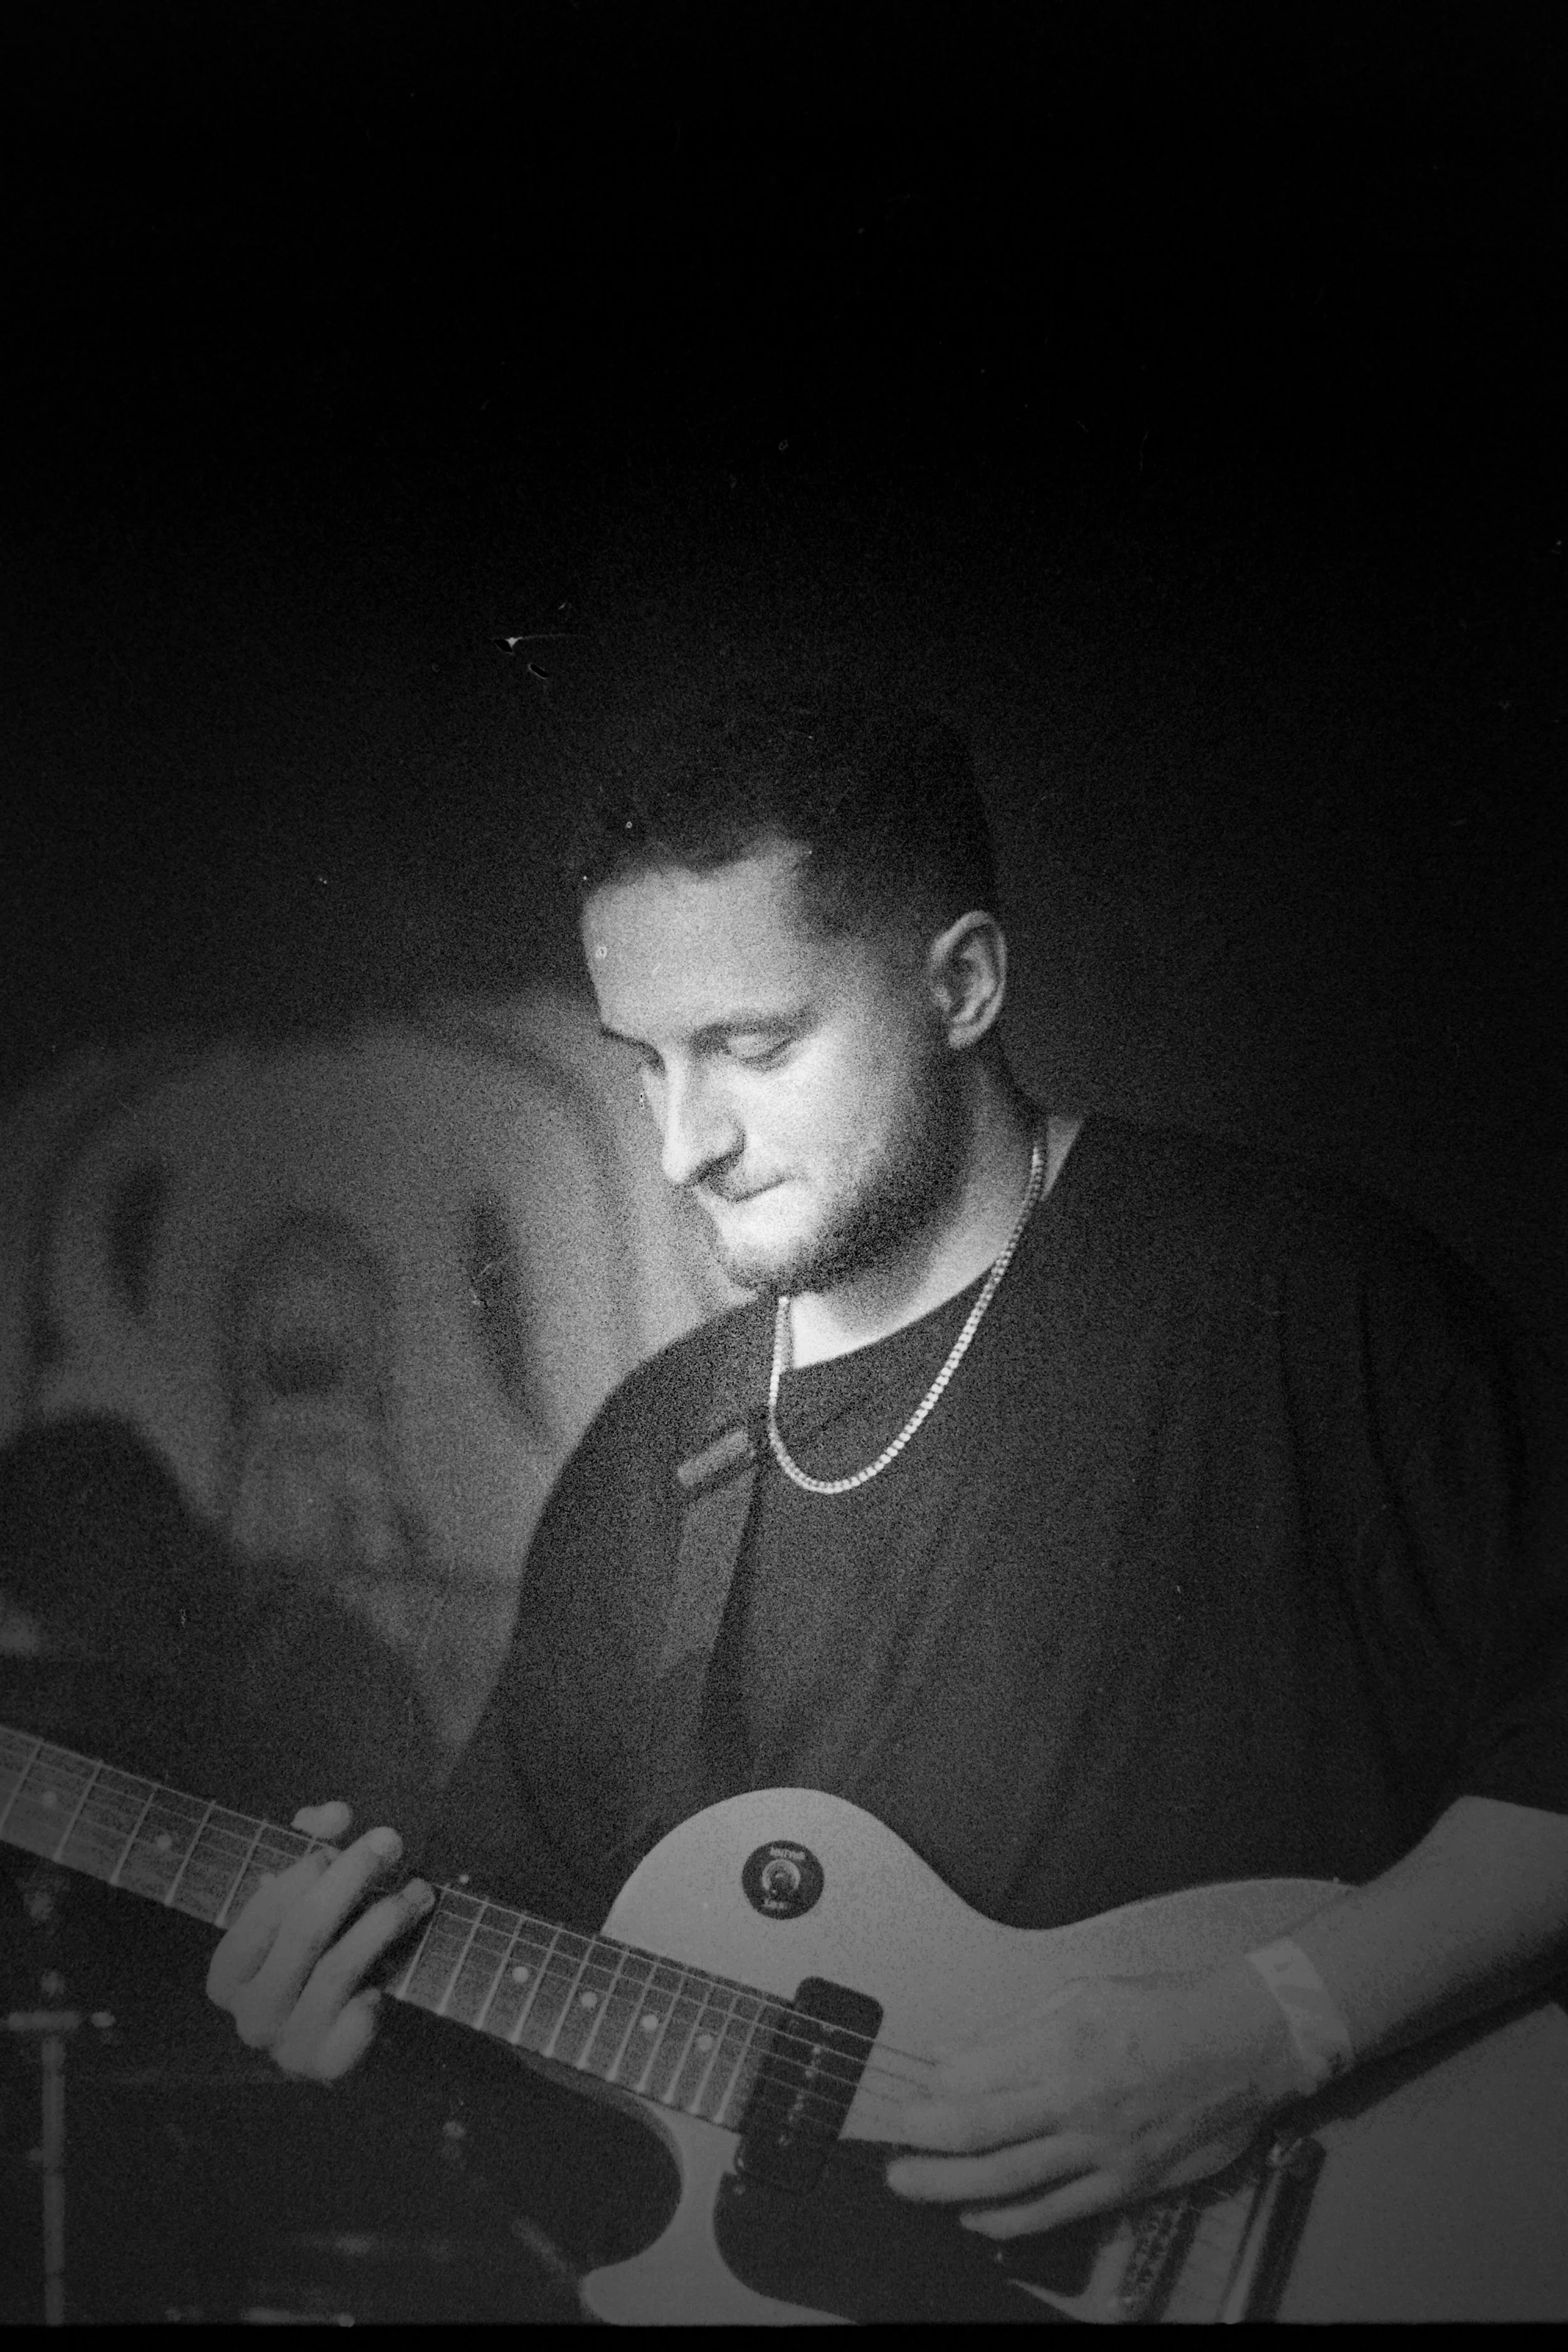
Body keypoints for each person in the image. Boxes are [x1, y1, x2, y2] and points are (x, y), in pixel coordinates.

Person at [206, 686, 1568, 2265]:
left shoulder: (1287, 1295)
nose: (680, 1145)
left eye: (748, 1046)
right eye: (644, 1064)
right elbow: (566, 2066)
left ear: (963, 984)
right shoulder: (649, 1470)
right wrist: (369, 2030)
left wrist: (1269, 2029)